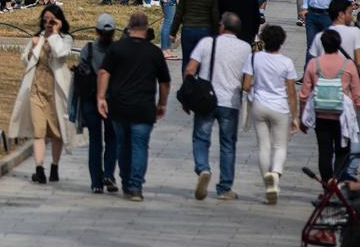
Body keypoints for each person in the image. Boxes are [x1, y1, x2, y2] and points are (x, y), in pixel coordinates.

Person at [97, 11, 171, 202]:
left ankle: (125, 180)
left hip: (120, 105)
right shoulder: (154, 52)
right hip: (144, 107)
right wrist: (162, 103)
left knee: (123, 144)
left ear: (129, 27)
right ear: (146, 29)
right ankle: (136, 186)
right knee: (139, 146)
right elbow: (164, 82)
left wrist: (101, 97)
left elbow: (104, 72)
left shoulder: (118, 48)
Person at [185, 12, 253, 201]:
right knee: (228, 144)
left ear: (222, 26)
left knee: (200, 137)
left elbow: (190, 69)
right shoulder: (246, 48)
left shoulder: (207, 43)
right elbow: (247, 79)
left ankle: (203, 169)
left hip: (206, 99)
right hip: (231, 102)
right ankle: (224, 188)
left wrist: (188, 93)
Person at [9, 4, 75, 184]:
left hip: (55, 91)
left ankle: (54, 166)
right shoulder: (37, 37)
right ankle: (39, 168)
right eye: (45, 20)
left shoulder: (64, 38)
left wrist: (54, 34)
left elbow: (61, 54)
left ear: (59, 21)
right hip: (36, 88)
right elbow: (25, 59)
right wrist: (32, 47)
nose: (47, 23)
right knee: (38, 132)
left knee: (56, 132)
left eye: (51, 20)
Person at [300, 29, 360, 183]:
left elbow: (304, 94)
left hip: (320, 113)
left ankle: (327, 184)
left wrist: (302, 117)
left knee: (324, 151)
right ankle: (336, 181)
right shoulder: (348, 65)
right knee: (343, 150)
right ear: (339, 45)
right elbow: (358, 93)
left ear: (322, 44)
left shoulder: (313, 63)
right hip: (342, 116)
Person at [242, 25, 298, 204]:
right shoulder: (287, 62)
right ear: (282, 42)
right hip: (280, 107)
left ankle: (268, 182)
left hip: (259, 105)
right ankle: (275, 174)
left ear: (263, 41)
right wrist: (295, 116)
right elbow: (291, 92)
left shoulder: (254, 58)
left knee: (263, 146)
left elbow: (245, 85)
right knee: (280, 146)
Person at [74, 14, 118, 194]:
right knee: (112, 138)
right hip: (111, 99)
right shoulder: (117, 50)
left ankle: (96, 182)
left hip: (90, 98)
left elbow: (80, 70)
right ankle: (108, 173)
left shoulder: (89, 49)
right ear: (114, 32)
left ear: (96, 31)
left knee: (95, 141)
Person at [308, 0, 360, 100]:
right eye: (350, 13)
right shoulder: (354, 33)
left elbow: (312, 65)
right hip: (346, 91)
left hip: (324, 92)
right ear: (341, 14)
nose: (351, 17)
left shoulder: (320, 36)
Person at [170, 0, 218, 72]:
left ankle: (187, 84)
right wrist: (216, 34)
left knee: (187, 59)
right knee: (203, 60)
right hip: (205, 31)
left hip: (188, 30)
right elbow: (215, 17)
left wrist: (173, 32)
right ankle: (200, 84)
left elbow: (178, 15)